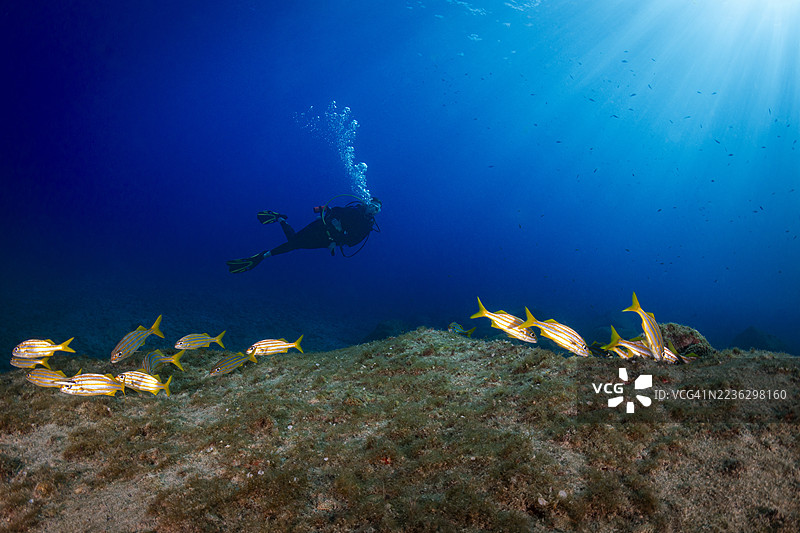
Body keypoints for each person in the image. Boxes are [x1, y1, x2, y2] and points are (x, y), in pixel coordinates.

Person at [226, 196, 381, 273]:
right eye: (373, 206)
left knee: (295, 244)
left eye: (377, 209)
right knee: (294, 242)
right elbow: (333, 212)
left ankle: (280, 221)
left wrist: (338, 236)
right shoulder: (352, 210)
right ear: (367, 203)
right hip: (321, 227)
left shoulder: (368, 226)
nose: (373, 210)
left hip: (329, 241)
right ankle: (264, 252)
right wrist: (334, 223)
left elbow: (353, 242)